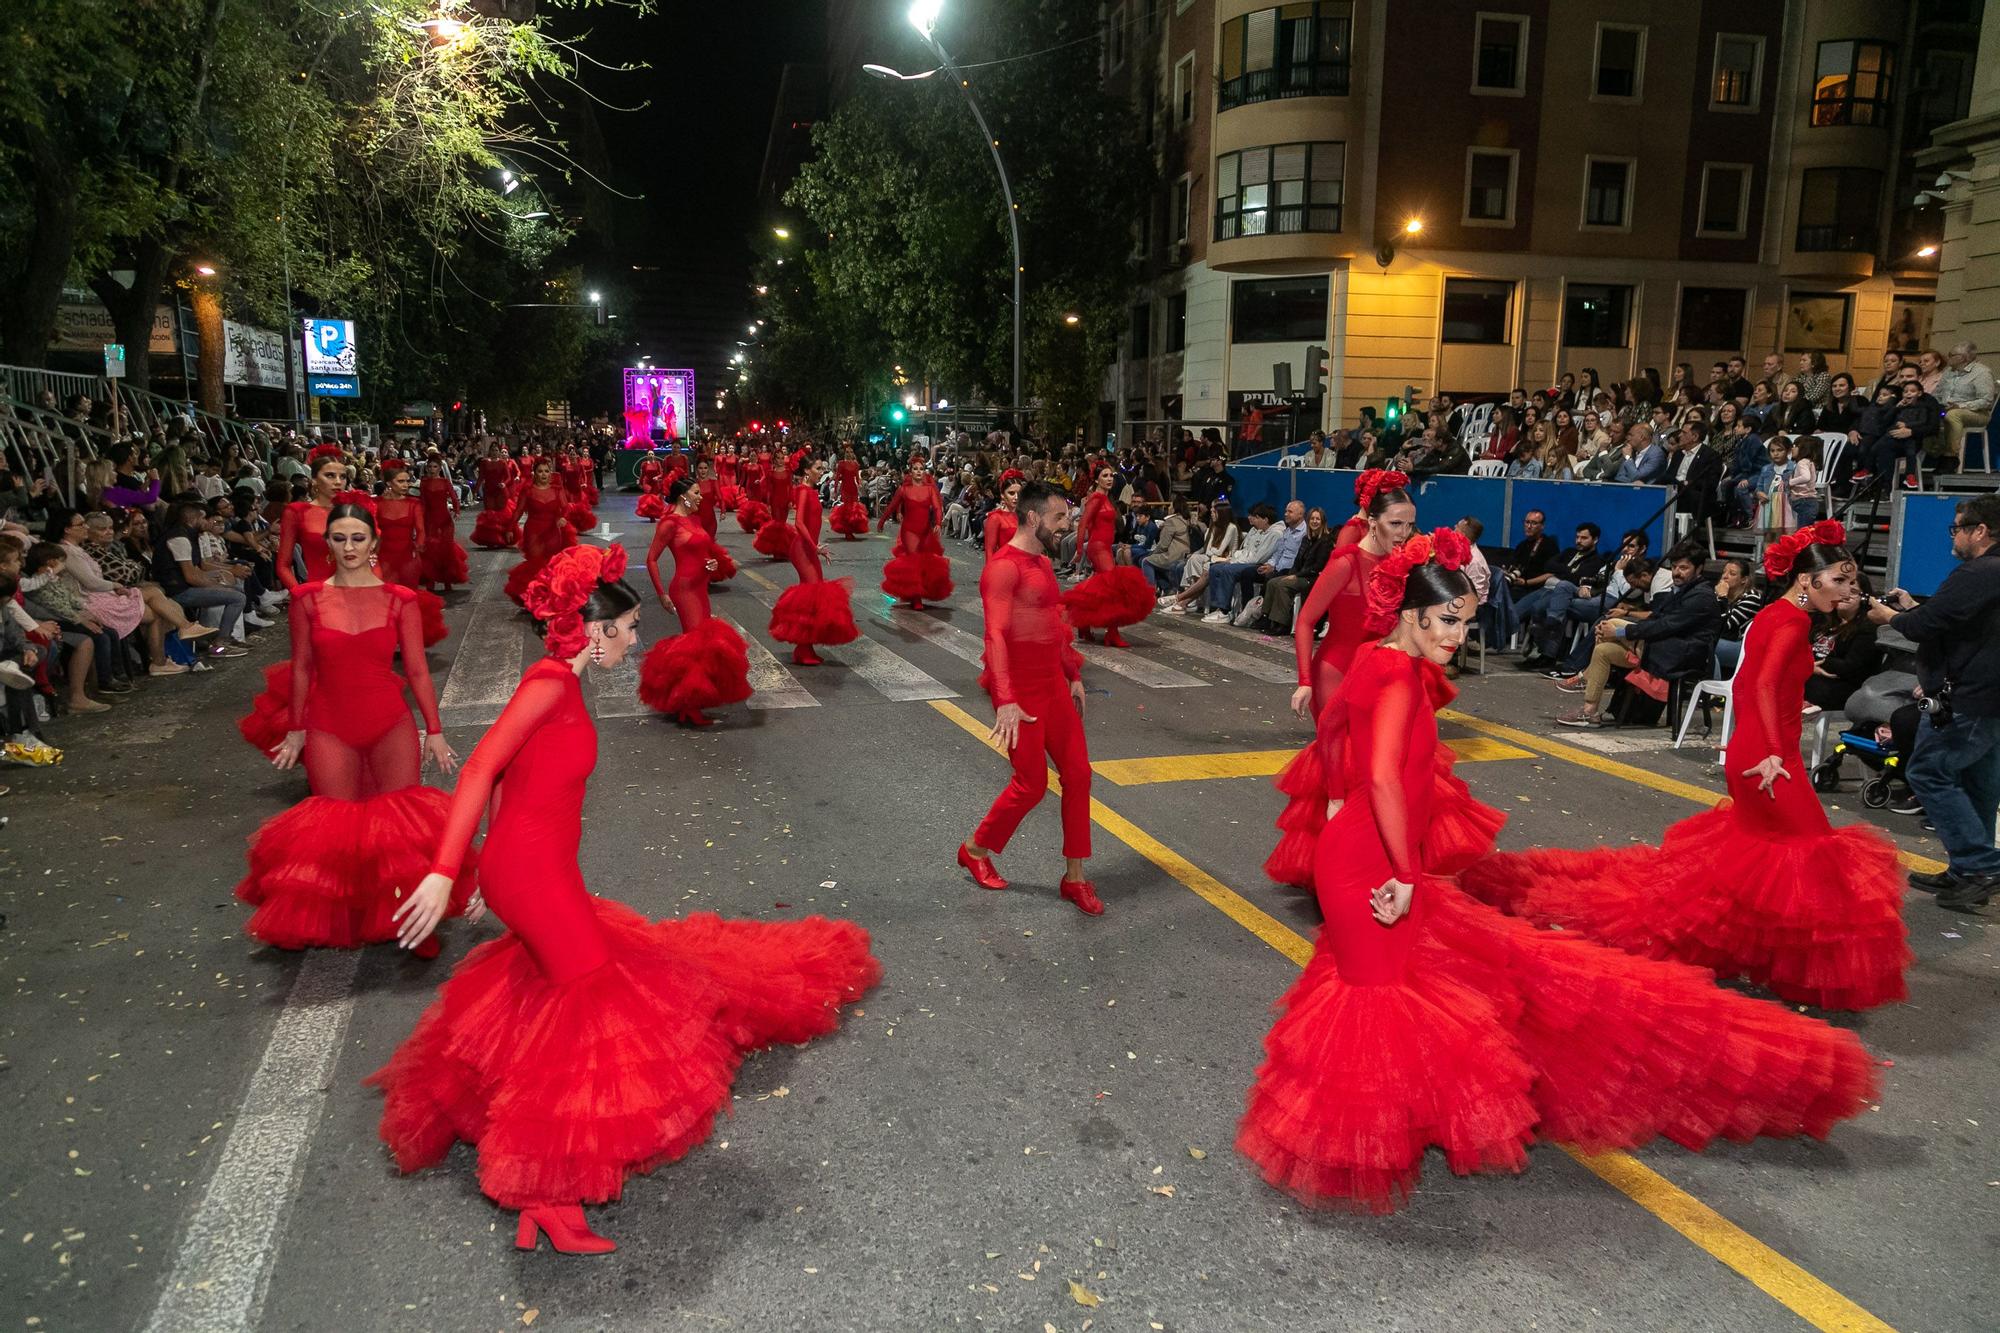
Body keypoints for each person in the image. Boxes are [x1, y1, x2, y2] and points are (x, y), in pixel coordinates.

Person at [1237, 530, 1874, 1213]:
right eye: (1447, 620)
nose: (1457, 634)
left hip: (1364, 851)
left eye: (1467, 622)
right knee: (1376, 997)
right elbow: (1389, 783)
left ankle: (1390, 1119)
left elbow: (1331, 727)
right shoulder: (1394, 676)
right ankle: (1360, 1134)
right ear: (1411, 614)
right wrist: (1399, 867)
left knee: (1392, 990)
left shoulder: (1374, 659)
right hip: (1374, 861)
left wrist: (1337, 799)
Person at [366, 543, 880, 1254]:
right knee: (586, 1014)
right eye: (630, 627)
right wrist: (444, 870)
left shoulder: (565, 684)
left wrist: (483, 867)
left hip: (534, 869)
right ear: (595, 629)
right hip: (534, 876)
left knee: (561, 996)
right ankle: (545, 1190)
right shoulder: (548, 682)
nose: (637, 641)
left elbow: (516, 778)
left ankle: (539, 1183)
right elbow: (481, 764)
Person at [1465, 522, 1912, 1010]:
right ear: (1807, 580)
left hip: (1762, 752)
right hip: (1769, 759)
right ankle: (1793, 967)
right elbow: (1757, 687)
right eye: (1842, 581)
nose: (1849, 591)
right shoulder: (1791, 623)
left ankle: (1760, 956)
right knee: (1810, 855)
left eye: (1852, 583)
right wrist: (1769, 751)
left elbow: (1752, 687)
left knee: (1768, 860)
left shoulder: (1777, 615)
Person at [236, 502, 472, 954]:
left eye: (357, 538)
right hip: (329, 726)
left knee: (399, 832)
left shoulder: (401, 600)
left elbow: (419, 672)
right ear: (327, 543)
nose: (348, 547)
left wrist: (435, 730)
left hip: (390, 724)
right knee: (334, 829)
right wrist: (297, 728)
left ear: (373, 544)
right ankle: (348, 917)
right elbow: (303, 669)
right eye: (339, 538)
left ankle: (409, 923)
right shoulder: (307, 599)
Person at [955, 482, 1100, 917]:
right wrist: (1004, 700)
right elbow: (995, 634)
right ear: (1034, 518)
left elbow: (1052, 621)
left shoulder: (1040, 560)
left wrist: (1072, 673)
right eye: (1060, 519)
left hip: (1053, 685)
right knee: (1031, 785)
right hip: (1020, 692)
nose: (1067, 527)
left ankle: (1075, 877)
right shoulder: (1003, 568)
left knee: (1079, 776)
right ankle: (975, 849)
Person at [1866, 493, 2000, 909]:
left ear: (1980, 531)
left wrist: (1888, 616)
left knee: (1927, 773)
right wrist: (1914, 607)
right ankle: (1966, 871)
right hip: (1988, 699)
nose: (1953, 536)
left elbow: (1924, 626)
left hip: (1968, 698)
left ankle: (1980, 866)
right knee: (1978, 783)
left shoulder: (1979, 572)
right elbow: (1951, 619)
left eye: (1957, 528)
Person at [1553, 545, 1721, 728]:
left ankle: (1585, 676)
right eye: (1674, 567)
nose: (1676, 573)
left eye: (1683, 568)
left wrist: (1619, 632)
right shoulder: (1681, 590)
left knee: (1614, 624)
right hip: (1662, 647)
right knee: (1603, 650)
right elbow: (1657, 618)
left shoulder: (1701, 596)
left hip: (1682, 654)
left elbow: (1665, 625)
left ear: (1699, 569)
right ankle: (1589, 713)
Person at [637, 478, 751, 727]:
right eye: (696, 493)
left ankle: (690, 702)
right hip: (684, 589)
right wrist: (661, 594)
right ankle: (688, 706)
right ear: (683, 496)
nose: (701, 497)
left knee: (701, 644)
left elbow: (704, 552)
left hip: (700, 588)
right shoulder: (669, 523)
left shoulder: (696, 520)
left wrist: (711, 564)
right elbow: (652, 560)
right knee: (695, 645)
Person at [767, 458, 860, 668]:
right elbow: (799, 522)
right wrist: (814, 547)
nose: (822, 471)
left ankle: (805, 647)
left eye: (822, 468)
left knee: (814, 599)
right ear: (807, 471)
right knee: (810, 597)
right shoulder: (802, 491)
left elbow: (812, 523)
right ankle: (802, 648)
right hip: (802, 549)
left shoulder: (811, 491)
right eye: (818, 468)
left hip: (809, 549)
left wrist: (815, 548)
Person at [1063, 465, 1155, 647]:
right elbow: (1083, 524)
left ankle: (1084, 623)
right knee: (1114, 588)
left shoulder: (1105, 497)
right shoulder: (1096, 498)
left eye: (1111, 475)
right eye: (1104, 476)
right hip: (1098, 548)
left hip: (1104, 547)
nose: (1109, 478)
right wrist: (1080, 550)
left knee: (1100, 588)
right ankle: (1111, 633)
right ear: (1096, 479)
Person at [878, 457, 953, 609]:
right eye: (915, 469)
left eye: (921, 469)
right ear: (910, 471)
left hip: (926, 531)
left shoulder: (930, 489)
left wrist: (938, 523)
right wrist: (882, 521)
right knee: (914, 561)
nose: (919, 471)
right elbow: (892, 505)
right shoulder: (903, 489)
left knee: (925, 561)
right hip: (909, 531)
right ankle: (916, 598)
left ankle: (916, 593)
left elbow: (938, 508)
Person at [502, 460, 577, 607]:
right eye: (540, 471)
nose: (544, 474)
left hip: (553, 533)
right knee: (536, 565)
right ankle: (535, 600)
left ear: (550, 473)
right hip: (533, 533)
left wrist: (563, 518)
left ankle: (550, 599)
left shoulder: (557, 489)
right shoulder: (528, 491)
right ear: (534, 474)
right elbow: (518, 511)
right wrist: (510, 528)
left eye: (546, 471)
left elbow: (566, 508)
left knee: (552, 566)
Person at [1259, 507, 1333, 635]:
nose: (1314, 521)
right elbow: (1297, 561)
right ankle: (1266, 618)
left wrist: (1296, 576)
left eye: (1318, 519)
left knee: (1283, 584)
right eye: (1312, 519)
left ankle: (1282, 624)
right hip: (1300, 575)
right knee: (1272, 582)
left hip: (1312, 578)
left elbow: (1317, 566)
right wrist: (1292, 573)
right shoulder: (1306, 539)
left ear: (1322, 522)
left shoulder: (1325, 541)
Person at [1937, 340, 1996, 465]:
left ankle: (1950, 456)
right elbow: (1938, 393)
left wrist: (1961, 406)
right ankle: (1931, 453)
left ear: (1962, 358)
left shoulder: (1982, 373)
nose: (1948, 358)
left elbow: (1986, 401)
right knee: (1925, 415)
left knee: (1953, 415)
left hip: (1976, 413)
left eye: (1951, 355)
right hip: (1946, 408)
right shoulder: (1948, 371)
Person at [418, 460, 469, 591]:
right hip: (429, 519)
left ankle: (447, 581)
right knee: (431, 550)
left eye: (434, 466)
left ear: (440, 468)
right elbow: (423, 502)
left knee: (446, 549)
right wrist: (419, 519)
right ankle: (431, 581)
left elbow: (454, 497)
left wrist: (457, 511)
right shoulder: (424, 483)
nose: (432, 469)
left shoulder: (444, 482)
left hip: (445, 519)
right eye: (429, 466)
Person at [472, 444, 519, 548]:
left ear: (499, 451)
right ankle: (491, 539)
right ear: (489, 451)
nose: (494, 452)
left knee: (501, 515)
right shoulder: (484, 462)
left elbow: (508, 477)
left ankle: (502, 538)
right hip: (488, 491)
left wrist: (504, 484)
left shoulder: (502, 462)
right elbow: (481, 477)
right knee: (490, 515)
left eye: (496, 450)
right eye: (492, 450)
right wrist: (475, 491)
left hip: (500, 492)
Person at [982, 471, 1024, 560]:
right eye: (1011, 493)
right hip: (1005, 566)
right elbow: (990, 551)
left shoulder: (1026, 516)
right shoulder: (996, 518)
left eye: (1019, 493)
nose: (1016, 497)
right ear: (1002, 495)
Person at [829, 445, 868, 539]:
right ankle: (847, 532)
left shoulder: (855, 464)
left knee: (854, 509)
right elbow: (837, 477)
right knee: (847, 509)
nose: (849, 454)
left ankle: (851, 530)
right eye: (847, 452)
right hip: (845, 488)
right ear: (845, 453)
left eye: (851, 452)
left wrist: (860, 484)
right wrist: (835, 491)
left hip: (853, 488)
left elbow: (857, 478)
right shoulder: (841, 464)